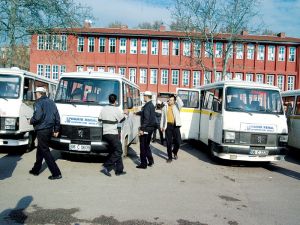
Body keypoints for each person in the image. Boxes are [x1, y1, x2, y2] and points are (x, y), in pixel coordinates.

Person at [28, 87, 62, 180]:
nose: (35, 94)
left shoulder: (38, 102)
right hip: (49, 129)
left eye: (36, 93)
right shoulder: (51, 102)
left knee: (45, 151)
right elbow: (57, 116)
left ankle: (56, 173)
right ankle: (36, 169)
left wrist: (31, 120)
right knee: (40, 149)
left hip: (42, 129)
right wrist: (56, 129)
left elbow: (37, 117)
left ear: (39, 94)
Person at [99, 94, 127, 177]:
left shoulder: (103, 109)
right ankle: (106, 166)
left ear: (109, 100)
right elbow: (122, 120)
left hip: (105, 133)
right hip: (112, 133)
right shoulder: (116, 109)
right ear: (115, 101)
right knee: (119, 151)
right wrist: (125, 114)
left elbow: (100, 120)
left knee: (115, 151)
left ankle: (119, 170)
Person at [135, 91, 156, 169]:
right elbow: (144, 113)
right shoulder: (151, 105)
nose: (143, 97)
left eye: (144, 96)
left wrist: (142, 129)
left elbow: (146, 119)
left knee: (143, 146)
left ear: (147, 96)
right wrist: (137, 113)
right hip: (150, 128)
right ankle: (150, 161)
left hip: (146, 129)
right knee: (147, 146)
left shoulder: (147, 106)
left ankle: (143, 164)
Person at [160, 94, 184, 163]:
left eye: (171, 100)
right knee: (169, 143)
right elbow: (162, 118)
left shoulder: (177, 106)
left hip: (176, 126)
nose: (170, 101)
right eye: (169, 100)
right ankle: (169, 157)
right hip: (168, 126)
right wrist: (161, 126)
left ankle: (174, 152)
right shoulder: (165, 107)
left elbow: (181, 104)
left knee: (178, 142)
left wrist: (177, 97)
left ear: (174, 101)